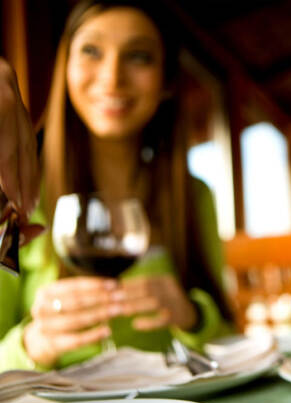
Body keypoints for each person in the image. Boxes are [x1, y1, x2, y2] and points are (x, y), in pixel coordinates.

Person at [0, 0, 233, 371]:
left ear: (167, 81)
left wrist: (193, 315)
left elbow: (231, 342)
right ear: (65, 67)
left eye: (139, 57)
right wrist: (33, 344)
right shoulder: (12, 195)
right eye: (91, 51)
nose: (112, 78)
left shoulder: (195, 195)